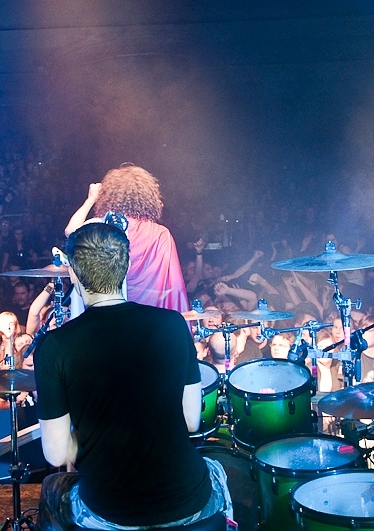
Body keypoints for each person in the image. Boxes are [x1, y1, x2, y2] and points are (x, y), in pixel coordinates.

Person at [35, 223, 231, 531]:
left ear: (72, 272)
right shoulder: (172, 324)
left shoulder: (54, 346)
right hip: (189, 501)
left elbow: (57, 453)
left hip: (109, 512)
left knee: (51, 487)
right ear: (126, 267)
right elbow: (192, 421)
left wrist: (97, 438)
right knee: (216, 470)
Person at [64, 164, 189, 314]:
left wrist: (90, 200)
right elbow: (175, 286)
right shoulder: (161, 234)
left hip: (111, 312)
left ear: (108, 196)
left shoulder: (104, 227)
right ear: (148, 197)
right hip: (151, 318)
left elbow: (71, 232)